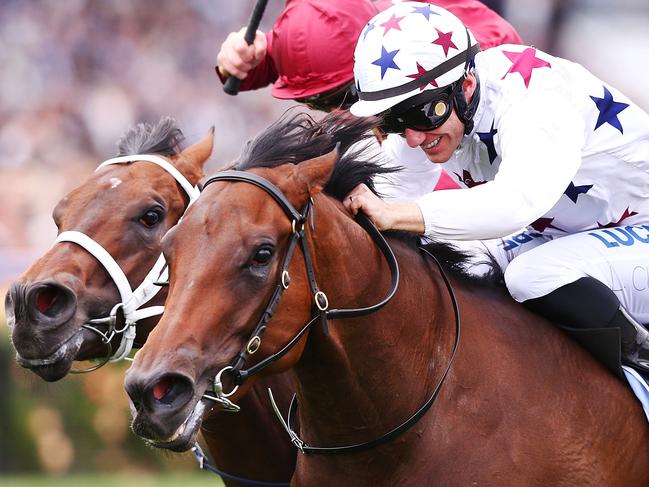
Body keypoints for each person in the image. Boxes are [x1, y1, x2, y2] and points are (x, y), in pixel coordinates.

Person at [343, 1, 649, 374]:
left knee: (534, 275)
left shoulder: (533, 98)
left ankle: (642, 364)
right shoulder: (441, 108)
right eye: (394, 121)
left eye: (423, 114)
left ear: (466, 86)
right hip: (579, 234)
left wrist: (396, 214)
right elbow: (389, 196)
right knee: (443, 260)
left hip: (638, 230)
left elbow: (517, 203)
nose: (412, 138)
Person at [215, 0, 521, 112]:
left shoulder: (451, 40)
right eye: (321, 103)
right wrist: (241, 60)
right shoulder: (330, 20)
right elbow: (297, 59)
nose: (340, 113)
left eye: (348, 97)